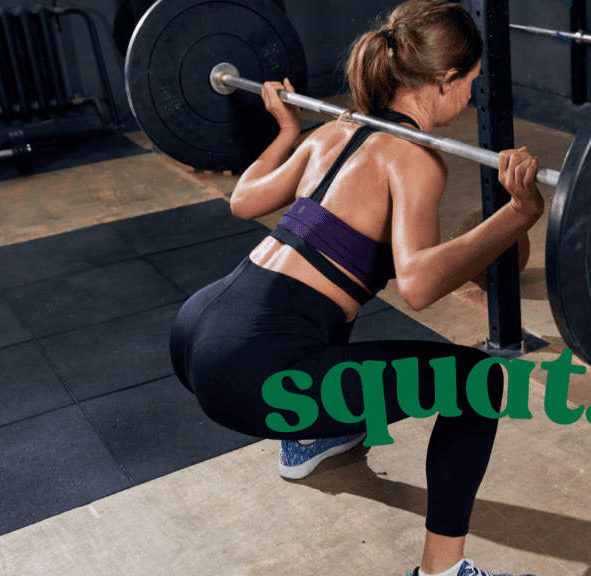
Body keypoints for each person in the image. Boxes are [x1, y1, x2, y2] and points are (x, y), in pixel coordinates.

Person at [168, 1, 543, 575]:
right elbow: (417, 285)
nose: (471, 97)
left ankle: (308, 442)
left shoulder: (331, 132)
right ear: (444, 81)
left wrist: (287, 130)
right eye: (469, 83)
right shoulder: (416, 162)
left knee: (333, 291)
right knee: (476, 381)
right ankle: (442, 572)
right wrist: (518, 213)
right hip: (254, 373)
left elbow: (244, 199)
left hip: (198, 331)